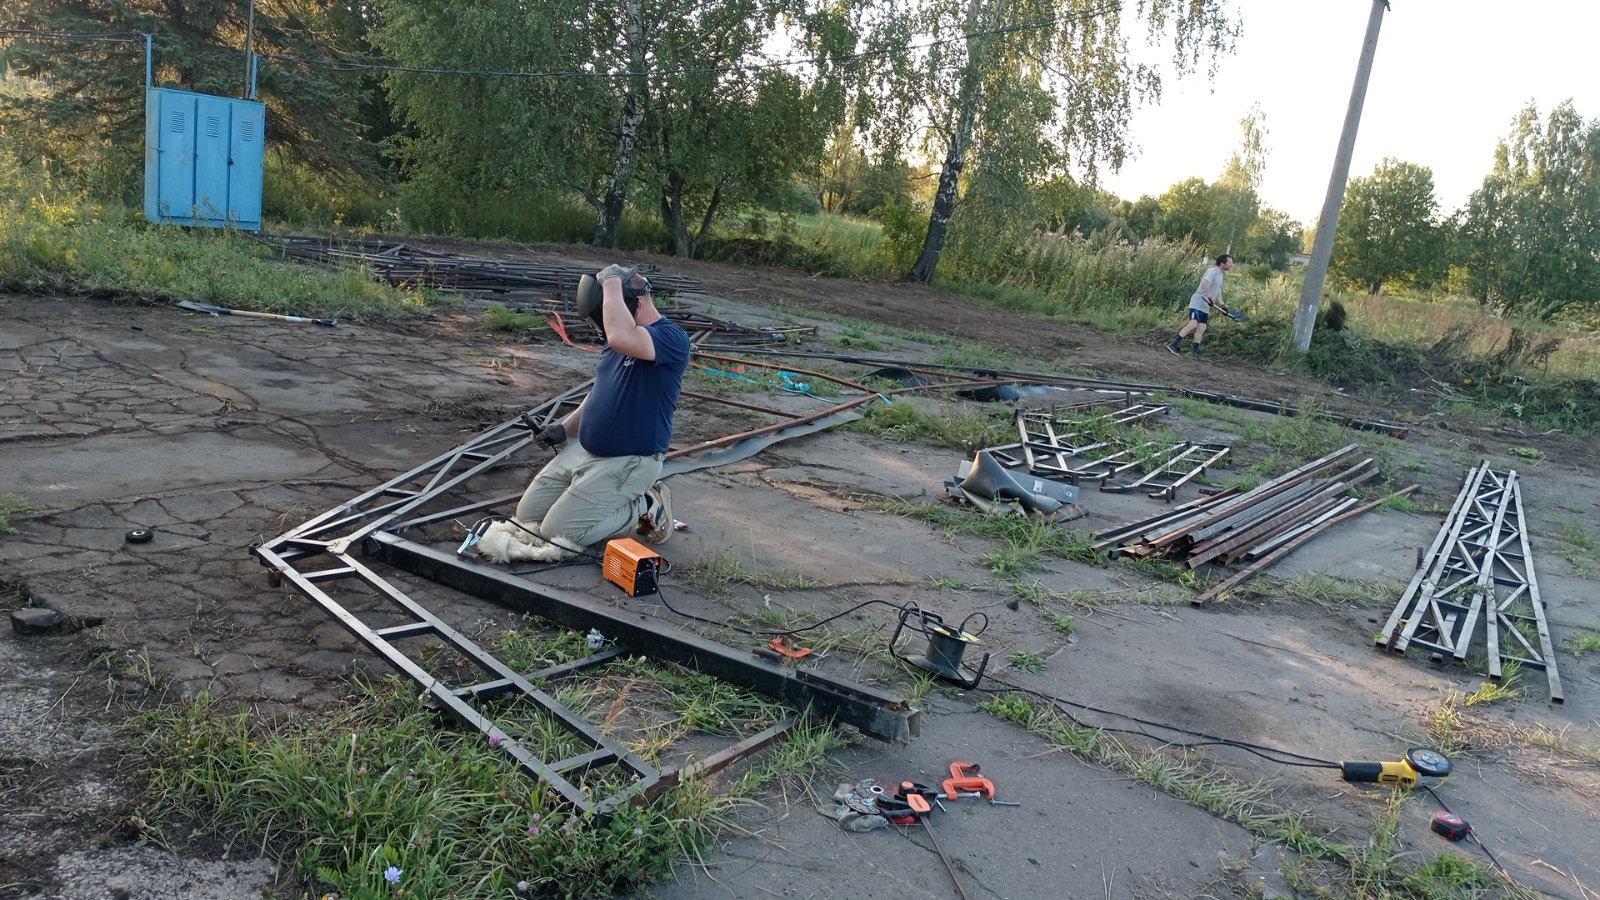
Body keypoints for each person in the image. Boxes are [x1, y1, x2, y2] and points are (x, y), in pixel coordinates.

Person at [475, 264, 691, 564]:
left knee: (557, 533)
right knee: (527, 517)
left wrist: (611, 280)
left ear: (633, 303)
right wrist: (564, 428)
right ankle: (607, 499)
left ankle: (645, 507)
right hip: (584, 451)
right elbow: (601, 392)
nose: (605, 324)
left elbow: (620, 336)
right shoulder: (618, 342)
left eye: (607, 312)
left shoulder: (672, 338)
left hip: (629, 460)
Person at [1168, 253, 1233, 360]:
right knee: (1193, 324)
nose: (1231, 264)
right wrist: (1209, 296)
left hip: (1205, 305)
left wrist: (1222, 305)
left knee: (1202, 327)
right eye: (1230, 262)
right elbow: (1205, 283)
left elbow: (1218, 292)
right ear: (1222, 263)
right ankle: (1174, 345)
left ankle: (1196, 350)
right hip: (1198, 301)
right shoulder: (1212, 271)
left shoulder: (1221, 275)